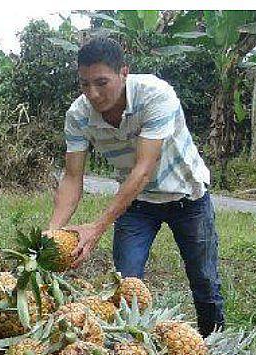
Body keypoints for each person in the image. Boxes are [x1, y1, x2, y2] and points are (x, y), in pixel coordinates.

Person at [48, 36, 225, 336]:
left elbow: (143, 170)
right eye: (84, 84)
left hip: (186, 197)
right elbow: (72, 178)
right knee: (126, 283)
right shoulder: (78, 116)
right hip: (137, 205)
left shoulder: (156, 95)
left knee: (204, 281)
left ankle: (216, 352)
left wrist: (96, 228)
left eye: (102, 82)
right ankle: (130, 348)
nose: (93, 93)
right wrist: (51, 232)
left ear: (124, 72)